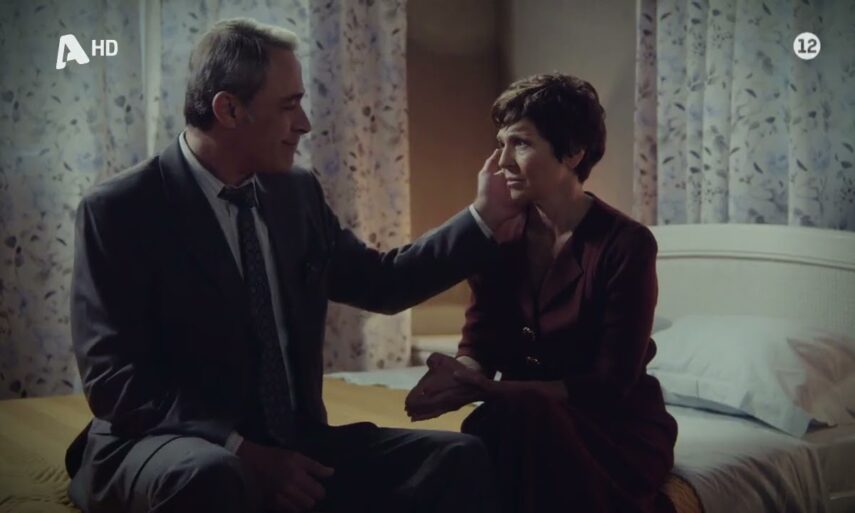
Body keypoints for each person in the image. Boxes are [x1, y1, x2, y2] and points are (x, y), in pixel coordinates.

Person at [65, 18, 518, 513]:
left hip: (294, 443)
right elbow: (115, 381)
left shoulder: (294, 193)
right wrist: (243, 450)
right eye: (288, 106)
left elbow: (383, 282)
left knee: (458, 457)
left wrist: (485, 216)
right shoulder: (121, 210)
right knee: (212, 476)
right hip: (172, 443)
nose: (304, 123)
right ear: (228, 109)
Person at [405, 73, 679, 513]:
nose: (501, 162)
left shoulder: (625, 245)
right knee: (467, 452)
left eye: (521, 143)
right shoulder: (499, 236)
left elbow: (609, 385)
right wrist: (458, 376)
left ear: (573, 152)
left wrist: (489, 391)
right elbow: (480, 343)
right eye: (500, 144)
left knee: (514, 432)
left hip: (611, 430)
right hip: (520, 419)